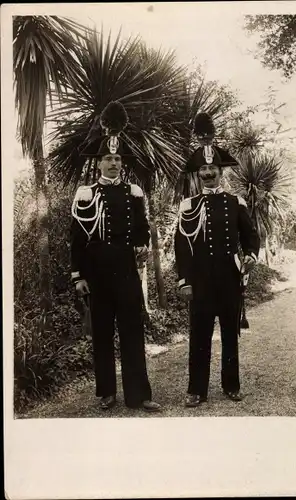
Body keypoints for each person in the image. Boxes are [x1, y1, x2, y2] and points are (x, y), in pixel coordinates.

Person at [70, 101, 161, 412]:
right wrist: (78, 275)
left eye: (117, 159)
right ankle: (107, 392)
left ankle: (140, 395)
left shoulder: (133, 193)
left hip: (125, 272)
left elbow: (142, 228)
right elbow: (77, 238)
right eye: (107, 159)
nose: (113, 163)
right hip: (96, 275)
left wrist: (142, 245)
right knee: (103, 334)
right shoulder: (86, 194)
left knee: (133, 332)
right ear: (99, 163)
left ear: (123, 163)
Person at [174, 112, 260, 407]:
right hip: (199, 282)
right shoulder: (189, 205)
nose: (208, 173)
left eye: (213, 168)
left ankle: (231, 385)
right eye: (203, 170)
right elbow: (181, 247)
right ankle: (196, 390)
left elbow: (251, 236)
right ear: (197, 174)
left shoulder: (236, 202)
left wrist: (250, 256)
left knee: (230, 334)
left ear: (221, 171)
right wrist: (184, 280)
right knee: (199, 336)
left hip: (229, 278)